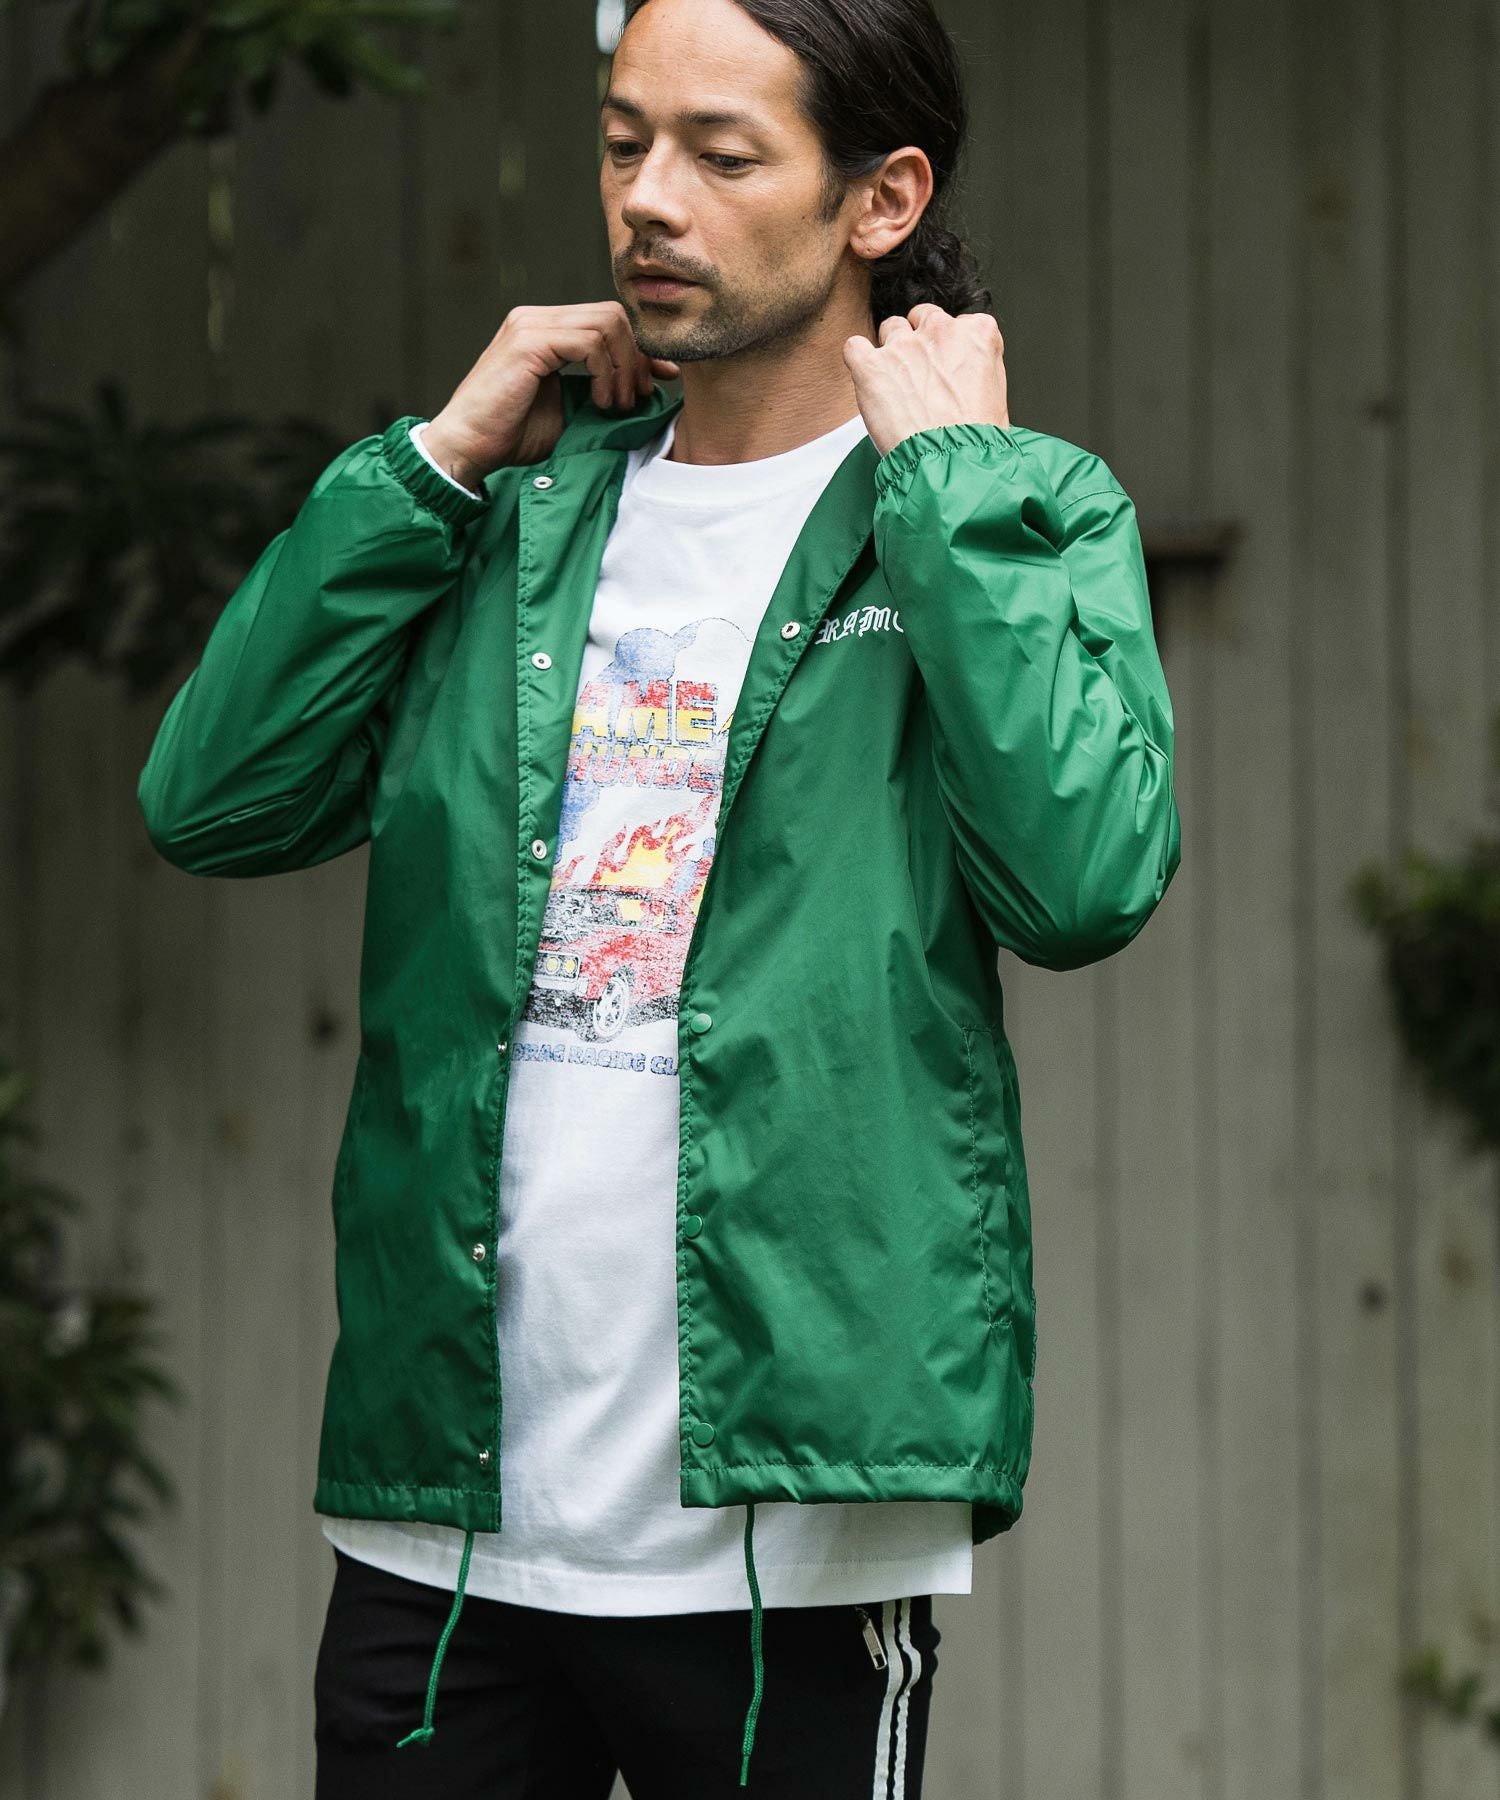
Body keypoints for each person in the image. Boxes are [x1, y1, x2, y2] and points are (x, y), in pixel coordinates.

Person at [136, 0, 1182, 1792]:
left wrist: (950, 493)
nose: (648, 198)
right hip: (446, 1519)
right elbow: (213, 801)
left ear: (881, 198)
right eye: (626, 143)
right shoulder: (507, 513)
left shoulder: (1013, 513)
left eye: (722, 152)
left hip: (789, 1521)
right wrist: (434, 460)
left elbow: (1081, 879)